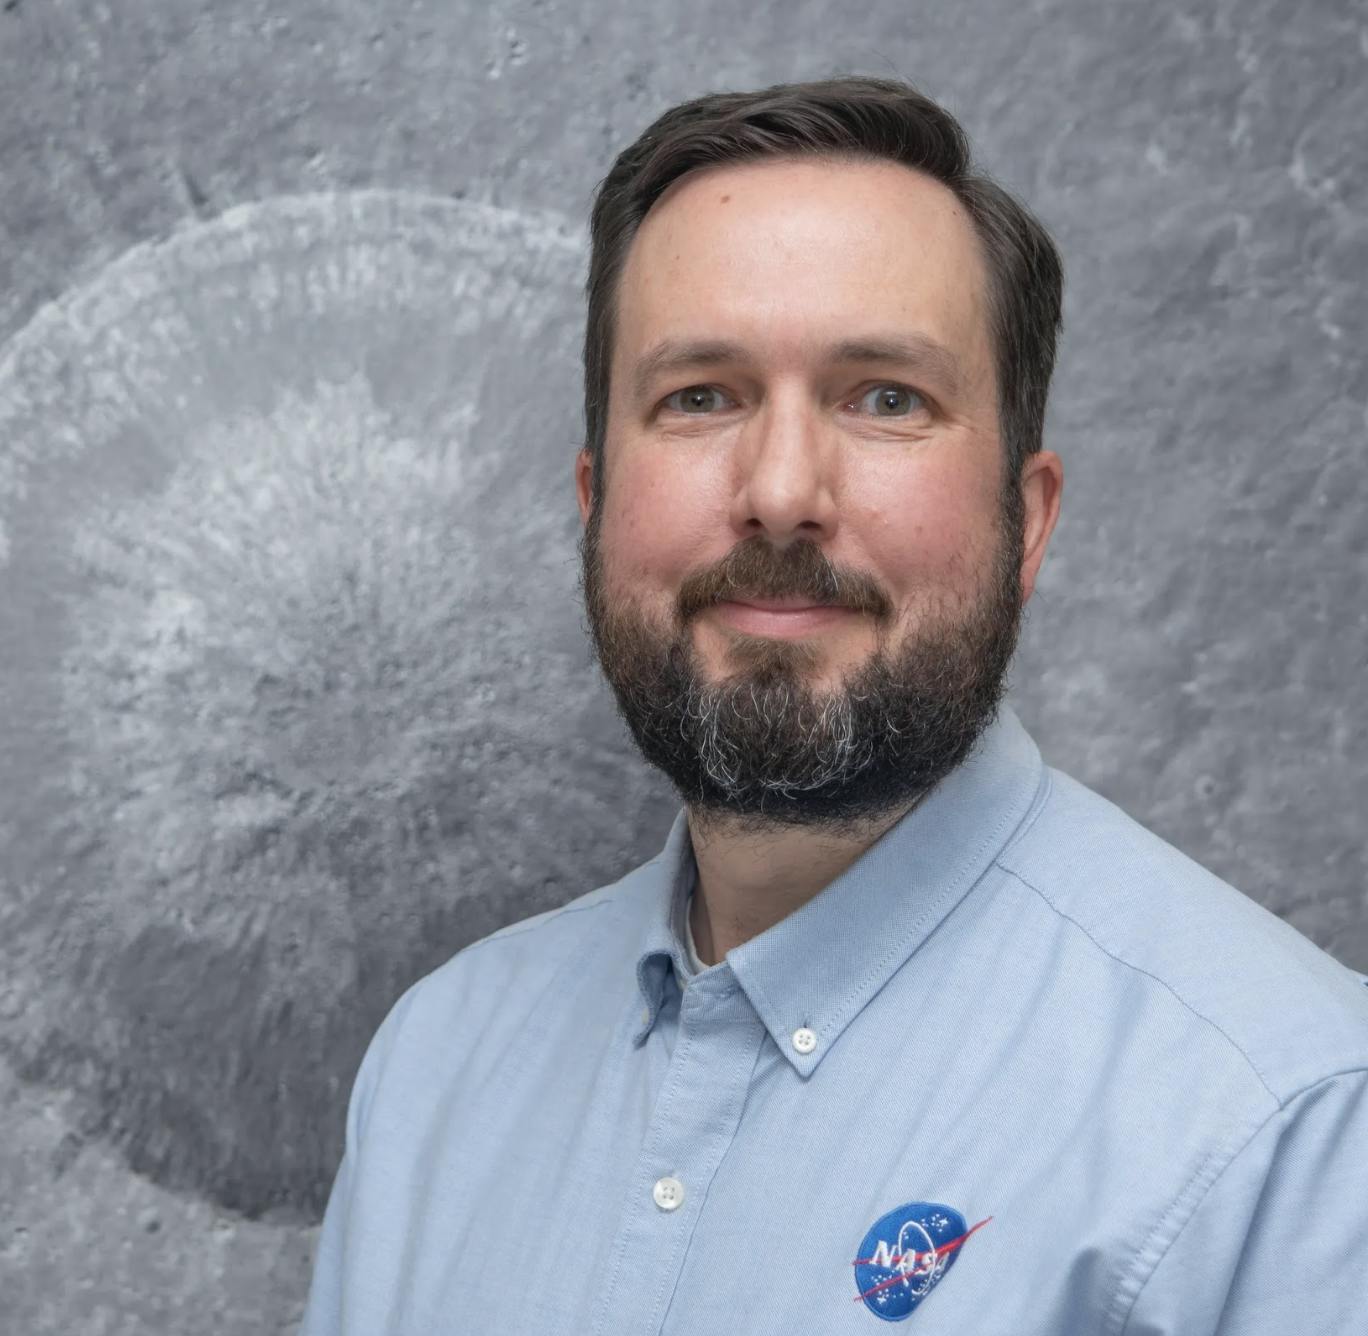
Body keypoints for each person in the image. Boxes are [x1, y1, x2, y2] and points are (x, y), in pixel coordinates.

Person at [297, 76, 1368, 1334]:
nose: (782, 489)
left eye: (884, 398)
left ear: (1024, 523)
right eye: (700, 394)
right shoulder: (434, 1071)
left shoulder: (1288, 1121)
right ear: (594, 502)